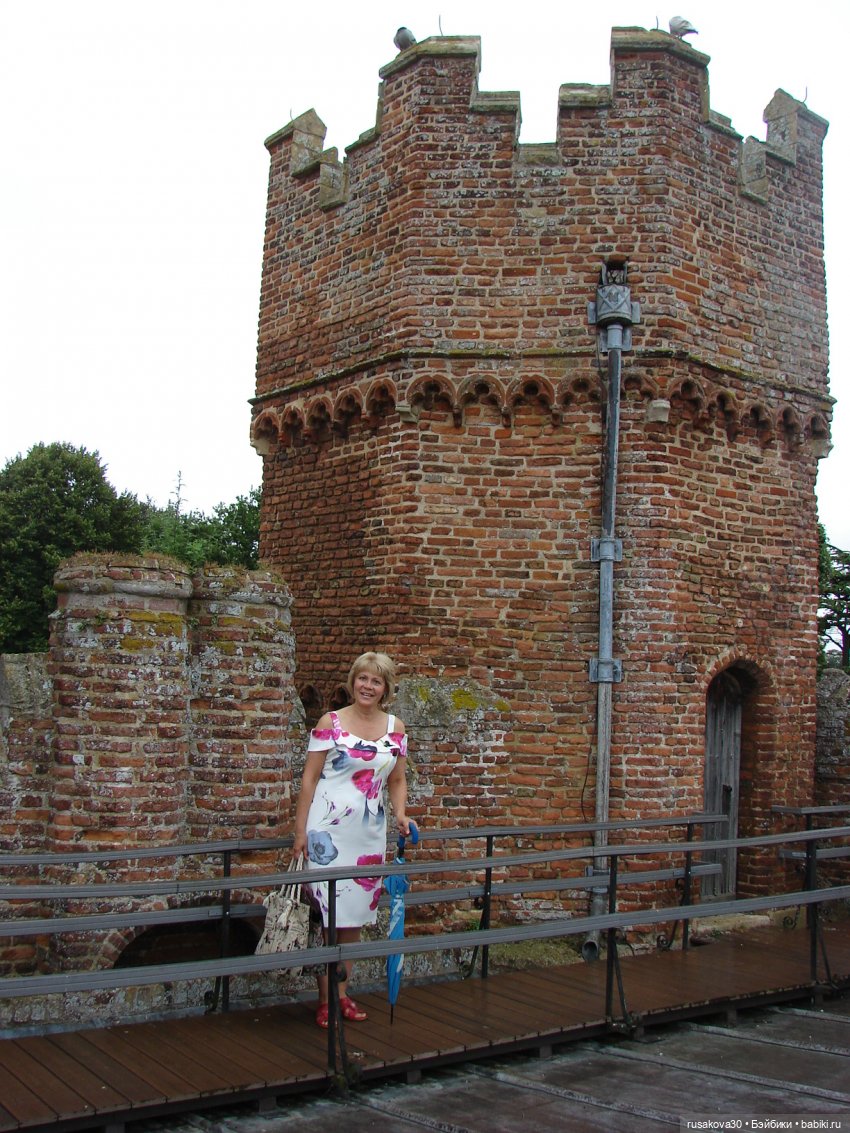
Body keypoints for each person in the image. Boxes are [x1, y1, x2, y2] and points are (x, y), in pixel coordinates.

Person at [292, 651, 416, 1028]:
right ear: (353, 681)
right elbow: (309, 778)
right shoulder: (329, 722)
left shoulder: (396, 728)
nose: (367, 686)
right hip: (326, 833)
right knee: (330, 916)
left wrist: (400, 814)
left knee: (355, 918)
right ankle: (326, 1000)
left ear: (385, 688)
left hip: (368, 835)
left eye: (376, 681)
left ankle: (342, 994)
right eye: (362, 678)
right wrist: (299, 831)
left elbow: (397, 779)